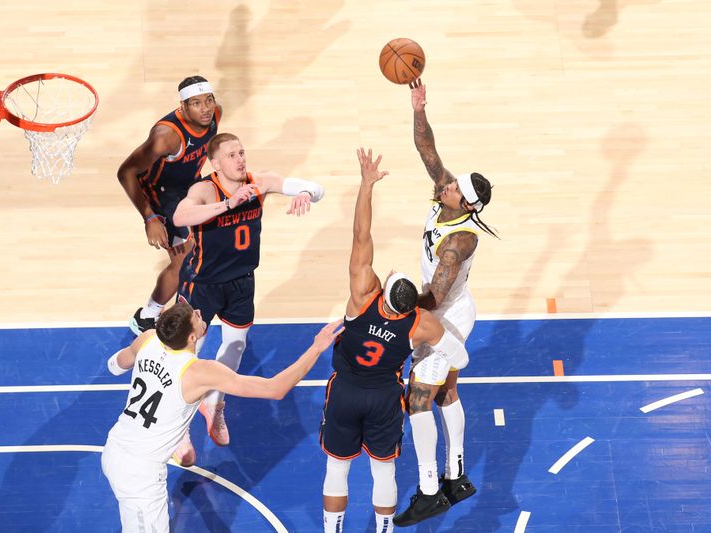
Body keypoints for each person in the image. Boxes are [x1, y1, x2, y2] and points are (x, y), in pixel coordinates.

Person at [320, 148, 468, 533]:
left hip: (346, 390)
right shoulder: (420, 324)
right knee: (382, 470)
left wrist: (366, 186)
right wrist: (448, 372)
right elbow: (460, 357)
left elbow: (360, 234)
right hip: (384, 397)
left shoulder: (361, 296)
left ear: (382, 290)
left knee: (338, 466)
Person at [101, 301, 344, 533]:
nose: (198, 311)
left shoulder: (148, 339)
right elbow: (275, 389)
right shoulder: (200, 372)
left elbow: (116, 364)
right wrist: (316, 349)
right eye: (195, 315)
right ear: (192, 337)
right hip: (140, 474)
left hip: (115, 447)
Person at [171, 132, 325, 456]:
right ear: (215, 164)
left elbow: (317, 188)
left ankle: (214, 404)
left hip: (241, 281)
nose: (240, 159)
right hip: (202, 283)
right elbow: (180, 217)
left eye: (241, 153)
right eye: (231, 155)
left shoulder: (260, 182)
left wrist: (306, 195)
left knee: (236, 344)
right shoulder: (204, 189)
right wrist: (227, 204)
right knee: (188, 355)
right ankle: (178, 427)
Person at [394, 79, 497, 527]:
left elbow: (433, 294)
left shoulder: (459, 241)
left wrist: (394, 301)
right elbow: (425, 146)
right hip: (448, 309)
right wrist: (418, 107)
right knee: (447, 392)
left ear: (465, 205)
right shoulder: (445, 193)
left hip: (444, 316)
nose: (446, 182)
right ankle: (456, 478)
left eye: (453, 186)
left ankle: (431, 490)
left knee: (417, 399)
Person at [117, 75, 222, 335]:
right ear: (183, 106)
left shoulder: (215, 115)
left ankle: (182, 304)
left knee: (208, 247)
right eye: (196, 103)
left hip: (188, 185)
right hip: (161, 195)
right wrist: (150, 218)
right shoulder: (166, 136)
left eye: (208, 100)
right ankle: (147, 316)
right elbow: (126, 172)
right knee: (183, 261)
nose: (205, 108)